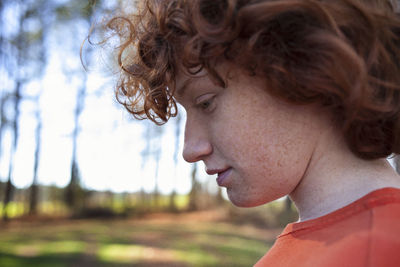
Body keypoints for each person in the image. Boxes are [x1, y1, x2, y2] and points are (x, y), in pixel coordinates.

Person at [100, 0, 400, 265]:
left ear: (306, 68)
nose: (190, 149)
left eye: (206, 103)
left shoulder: (381, 249)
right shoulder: (337, 243)